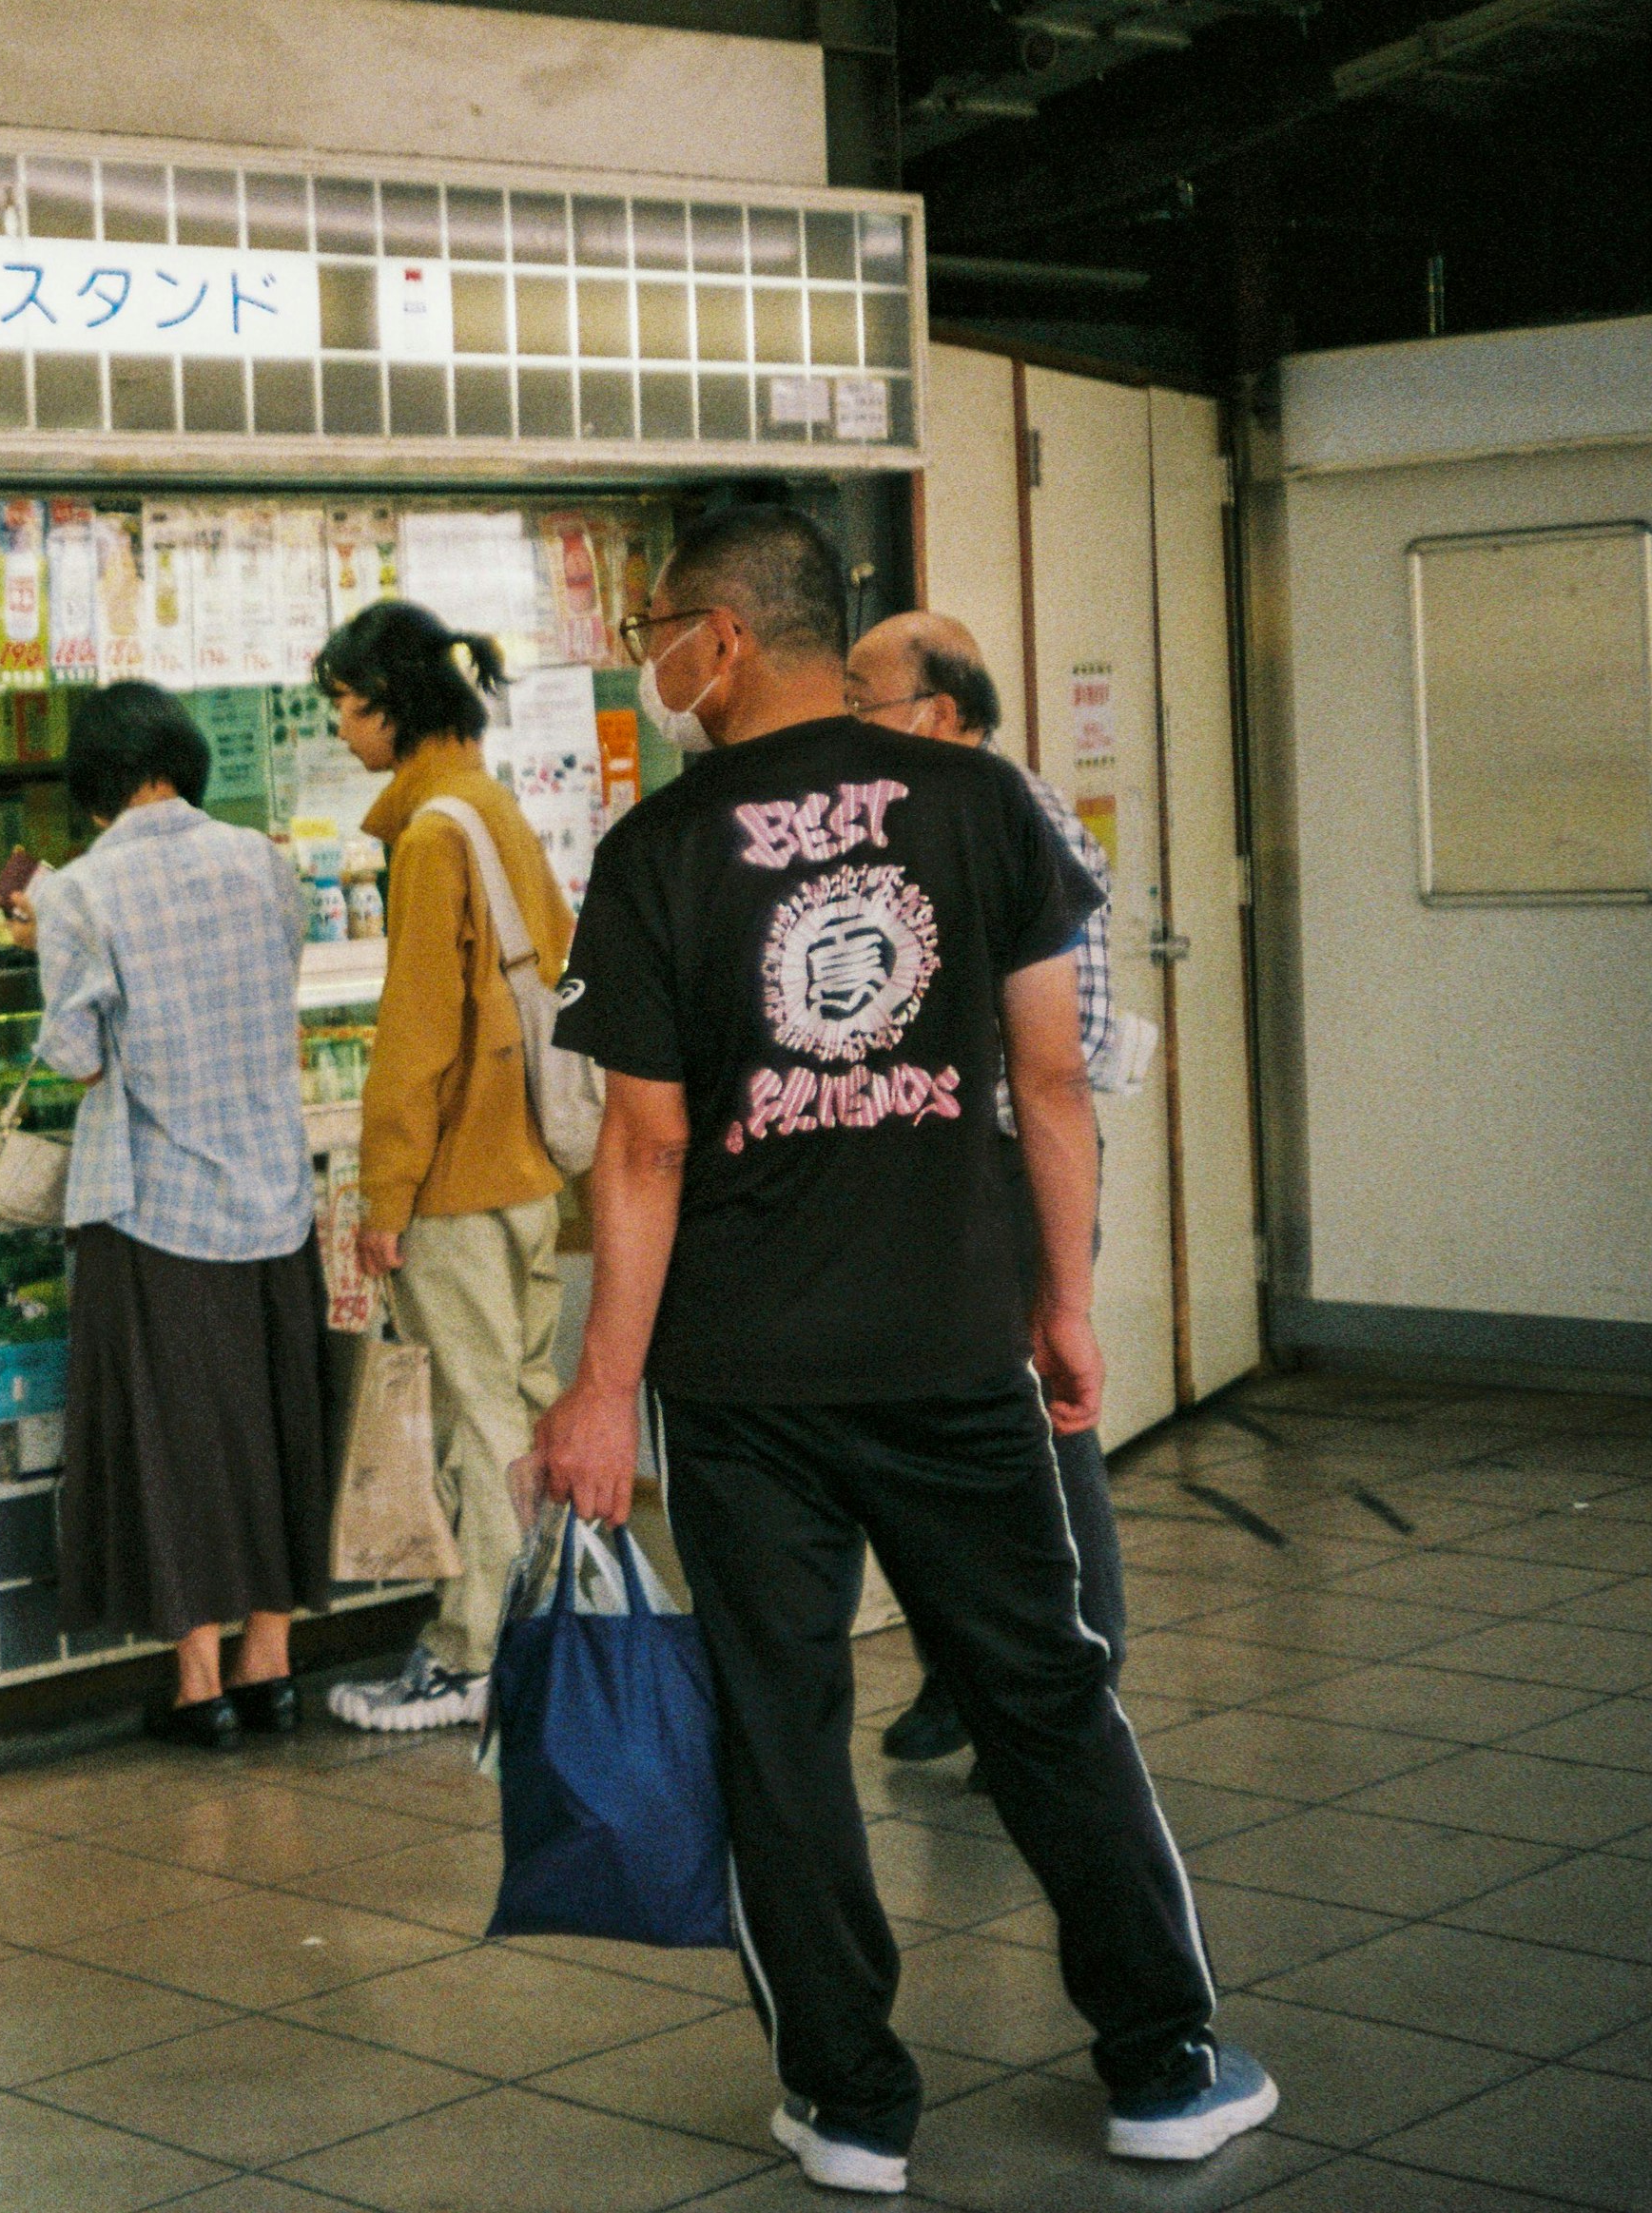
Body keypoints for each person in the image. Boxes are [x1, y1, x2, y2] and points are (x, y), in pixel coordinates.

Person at [527, 510, 1273, 2194]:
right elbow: (1052, 1080)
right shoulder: (979, 802)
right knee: (1044, 1690)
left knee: (781, 1721)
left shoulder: (656, 851)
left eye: (657, 626)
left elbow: (640, 1150)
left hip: (738, 1375)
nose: (652, 656)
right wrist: (1066, 1299)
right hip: (950, 1339)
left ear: (718, 640)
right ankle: (1162, 2061)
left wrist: (598, 1386)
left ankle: (852, 2100)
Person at [844, 609, 1135, 1766]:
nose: (846, 725)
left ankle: (1081, 1684)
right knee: (929, 1438)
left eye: (863, 702)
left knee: (1037, 1435)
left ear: (943, 714)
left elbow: (1078, 1039)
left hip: (1008, 1173)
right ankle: (958, 1681)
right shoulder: (885, 823)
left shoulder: (1021, 816)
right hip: (920, 1177)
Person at [28, 681, 336, 1750]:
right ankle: (274, 1664)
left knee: (176, 1445)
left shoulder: (77, 891)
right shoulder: (262, 861)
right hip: (273, 1194)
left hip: (153, 1204)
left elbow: (74, 1054)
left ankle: (198, 1685)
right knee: (275, 1429)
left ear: (95, 780)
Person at [306, 603, 573, 1735]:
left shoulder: (428, 837)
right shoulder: (494, 809)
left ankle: (476, 1655)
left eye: (346, 710)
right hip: (525, 1170)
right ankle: (547, 1626)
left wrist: (385, 1198)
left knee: (477, 1423)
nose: (342, 733)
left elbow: (414, 1042)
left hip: (459, 1181)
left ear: (392, 707)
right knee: (519, 1402)